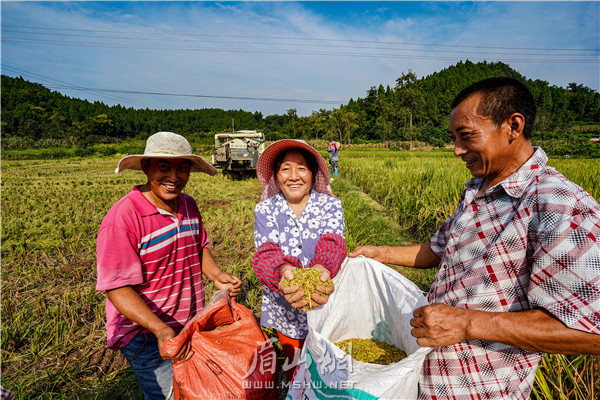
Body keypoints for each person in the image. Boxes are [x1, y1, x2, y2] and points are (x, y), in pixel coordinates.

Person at [349, 77, 600, 399]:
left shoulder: (559, 204)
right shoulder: (478, 190)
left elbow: (590, 331)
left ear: (513, 125)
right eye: (454, 138)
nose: (457, 151)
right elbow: (440, 250)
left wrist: (467, 323)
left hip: (481, 388)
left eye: (466, 136)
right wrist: (380, 253)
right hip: (426, 376)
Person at [96, 131, 242, 400]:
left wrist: (217, 275)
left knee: (194, 389)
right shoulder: (124, 218)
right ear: (145, 167)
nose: (174, 178)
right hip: (147, 335)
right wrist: (160, 329)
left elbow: (198, 247)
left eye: (181, 168)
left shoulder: (188, 205)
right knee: (170, 395)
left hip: (188, 323)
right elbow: (117, 289)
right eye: (164, 167)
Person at [251, 139, 347, 382]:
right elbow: (266, 253)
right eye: (285, 168)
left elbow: (333, 243)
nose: (293, 176)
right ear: (275, 176)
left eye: (302, 168)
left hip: (323, 301)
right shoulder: (265, 210)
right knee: (295, 364)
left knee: (326, 364)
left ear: (314, 175)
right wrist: (282, 272)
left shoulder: (331, 205)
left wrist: (321, 268)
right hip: (284, 304)